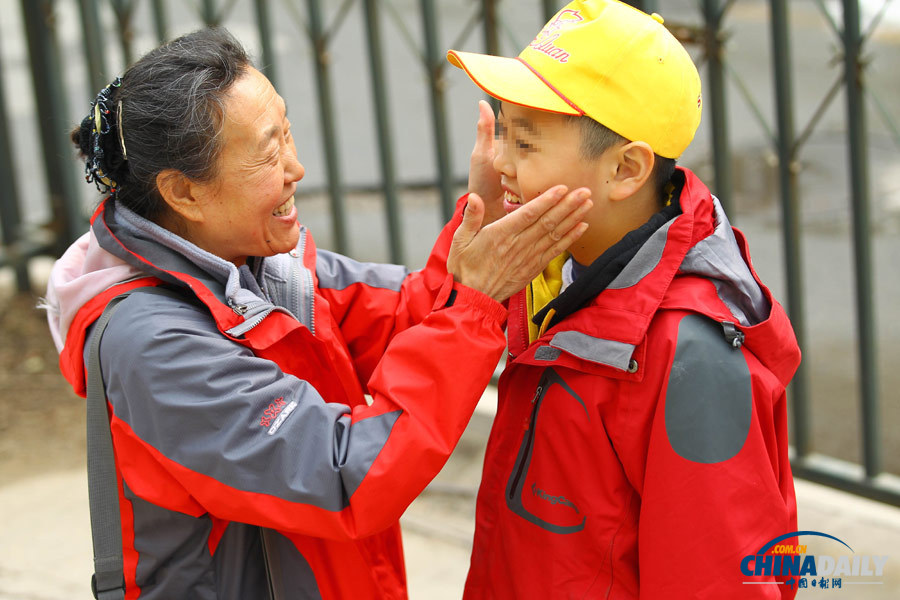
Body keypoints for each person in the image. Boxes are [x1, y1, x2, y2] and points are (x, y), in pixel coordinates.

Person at [43, 27, 593, 599]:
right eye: (267, 151)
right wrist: (477, 301)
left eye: (288, 132)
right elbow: (342, 475)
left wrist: (479, 224)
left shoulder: (260, 269)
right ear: (184, 193)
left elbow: (411, 317)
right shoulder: (152, 343)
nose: (296, 168)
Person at [447, 1, 801, 597]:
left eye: (525, 144)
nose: (497, 162)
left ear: (626, 169)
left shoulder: (690, 357)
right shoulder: (550, 274)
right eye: (501, 131)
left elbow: (719, 578)